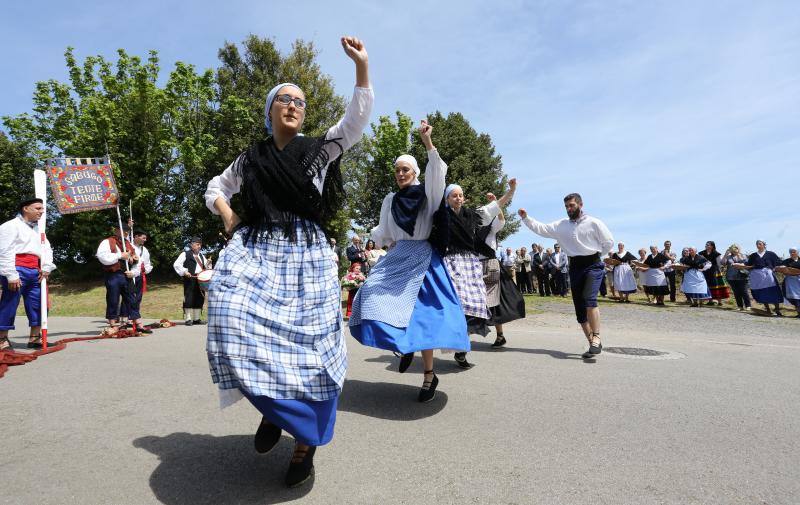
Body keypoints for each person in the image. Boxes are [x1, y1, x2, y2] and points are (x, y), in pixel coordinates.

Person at [204, 36, 372, 487]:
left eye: (300, 100)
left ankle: (304, 445)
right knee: (230, 316)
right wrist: (229, 214)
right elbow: (214, 189)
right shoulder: (251, 157)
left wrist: (361, 67)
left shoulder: (320, 149)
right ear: (271, 108)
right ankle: (272, 409)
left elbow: (356, 121)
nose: (294, 105)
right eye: (286, 98)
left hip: (307, 250)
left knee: (314, 346)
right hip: (258, 248)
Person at [350, 120, 466, 403]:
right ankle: (403, 346)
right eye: (398, 170)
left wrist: (428, 142)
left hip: (423, 256)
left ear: (414, 172)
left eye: (406, 169)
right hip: (398, 255)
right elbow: (383, 231)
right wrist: (365, 241)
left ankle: (429, 375)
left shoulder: (427, 193)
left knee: (424, 317)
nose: (401, 173)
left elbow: (437, 173)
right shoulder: (390, 199)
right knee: (369, 293)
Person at [432, 180, 516, 368]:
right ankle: (455, 343)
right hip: (451, 263)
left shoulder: (470, 215)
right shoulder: (440, 216)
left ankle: (461, 348)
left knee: (476, 305)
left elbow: (493, 208)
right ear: (447, 199)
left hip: (471, 263)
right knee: (457, 306)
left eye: (461, 195)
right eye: (454, 195)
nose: (459, 198)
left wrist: (510, 192)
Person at [518, 193, 614, 359]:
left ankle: (597, 336)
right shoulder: (561, 225)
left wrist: (596, 256)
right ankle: (592, 342)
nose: (569, 209)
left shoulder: (594, 223)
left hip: (593, 265)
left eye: (572, 205)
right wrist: (526, 218)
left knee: (590, 299)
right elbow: (541, 228)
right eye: (567, 207)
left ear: (580, 204)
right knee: (579, 309)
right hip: (575, 266)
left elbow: (608, 243)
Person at [0, 198, 56, 351]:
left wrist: (46, 267)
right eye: (38, 208)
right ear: (25, 208)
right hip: (17, 268)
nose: (41, 211)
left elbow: (47, 250)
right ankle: (2, 339)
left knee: (38, 303)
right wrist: (10, 274)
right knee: (10, 303)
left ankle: (35, 338)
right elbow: (4, 251)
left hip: (35, 270)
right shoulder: (9, 226)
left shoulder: (39, 230)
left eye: (42, 208)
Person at [473, 190, 524, 349]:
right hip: (476, 265)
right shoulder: (472, 230)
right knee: (475, 299)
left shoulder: (492, 226)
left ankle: (499, 334)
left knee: (491, 300)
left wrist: (496, 204)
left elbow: (501, 219)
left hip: (490, 265)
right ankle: (488, 332)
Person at [97, 224, 136, 328]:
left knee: (129, 298)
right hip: (113, 274)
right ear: (116, 230)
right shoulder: (107, 242)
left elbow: (134, 256)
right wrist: (120, 255)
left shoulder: (127, 243)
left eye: (127, 230)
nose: (126, 232)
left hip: (126, 274)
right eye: (124, 230)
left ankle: (125, 321)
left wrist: (133, 258)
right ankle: (112, 324)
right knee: (113, 299)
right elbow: (102, 257)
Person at [735, 240, 784, 316]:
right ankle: (767, 309)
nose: (758, 245)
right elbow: (748, 264)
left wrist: (783, 267)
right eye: (757, 244)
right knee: (762, 292)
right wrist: (739, 264)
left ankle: (777, 310)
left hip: (768, 275)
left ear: (764, 245)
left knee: (773, 291)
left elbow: (779, 262)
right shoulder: (753, 255)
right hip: (757, 276)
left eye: (760, 244)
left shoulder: (771, 254)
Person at [173, 237, 212, 326]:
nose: (199, 246)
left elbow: (206, 268)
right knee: (189, 297)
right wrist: (184, 272)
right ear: (192, 245)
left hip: (200, 279)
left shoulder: (201, 256)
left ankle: (196, 319)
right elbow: (176, 265)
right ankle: (188, 319)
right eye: (198, 244)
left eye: (200, 245)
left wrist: (208, 263)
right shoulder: (185, 254)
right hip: (190, 278)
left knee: (199, 298)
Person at [124, 230, 154, 333]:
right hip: (130, 275)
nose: (145, 240)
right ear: (136, 236)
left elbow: (148, 263)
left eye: (145, 238)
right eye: (143, 238)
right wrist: (129, 227)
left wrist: (146, 270)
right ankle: (134, 321)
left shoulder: (144, 250)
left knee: (138, 298)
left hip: (140, 276)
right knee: (131, 298)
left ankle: (130, 319)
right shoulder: (128, 246)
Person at [699, 241, 730, 306]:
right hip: (705, 271)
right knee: (707, 286)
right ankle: (710, 301)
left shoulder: (716, 254)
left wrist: (726, 255)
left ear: (712, 246)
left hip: (714, 271)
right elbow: (699, 262)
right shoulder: (701, 253)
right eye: (706, 245)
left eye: (708, 245)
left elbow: (720, 264)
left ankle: (719, 301)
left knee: (717, 286)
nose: (707, 246)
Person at [722, 244, 751, 311]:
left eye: (736, 249)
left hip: (742, 276)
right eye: (733, 249)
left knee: (744, 291)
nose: (734, 250)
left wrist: (738, 256)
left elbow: (747, 263)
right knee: (736, 292)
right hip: (731, 277)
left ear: (739, 249)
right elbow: (722, 263)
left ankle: (748, 306)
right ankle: (740, 306)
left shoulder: (743, 255)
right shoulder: (729, 257)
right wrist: (726, 254)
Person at [777, 248, 800, 317]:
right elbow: (779, 268)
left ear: (797, 252)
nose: (792, 253)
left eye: (794, 252)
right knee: (793, 298)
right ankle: (799, 312)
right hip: (790, 281)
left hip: (799, 280)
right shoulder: (786, 261)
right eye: (791, 252)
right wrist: (781, 268)